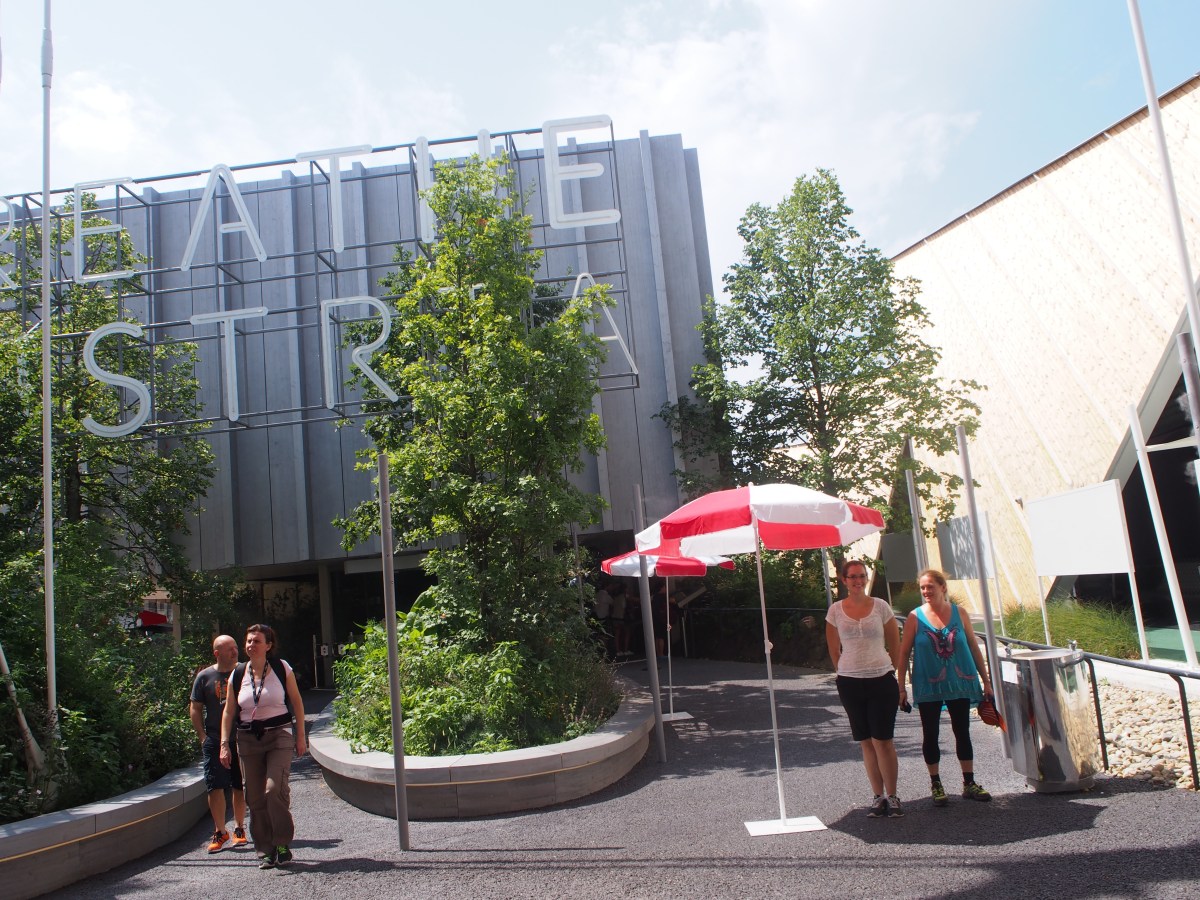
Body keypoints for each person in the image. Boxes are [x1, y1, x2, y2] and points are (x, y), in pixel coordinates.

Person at [898, 567, 994, 807]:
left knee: (962, 730)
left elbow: (973, 646)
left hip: (959, 681)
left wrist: (986, 680)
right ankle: (936, 783)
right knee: (930, 733)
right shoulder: (914, 617)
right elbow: (903, 653)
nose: (926, 591)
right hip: (928, 685)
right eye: (922, 587)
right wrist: (901, 687)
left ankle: (969, 782)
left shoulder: (960, 613)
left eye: (930, 586)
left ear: (943, 587)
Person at [220, 624, 307, 869]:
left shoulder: (281, 668)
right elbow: (229, 711)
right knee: (255, 796)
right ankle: (265, 849)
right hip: (248, 738)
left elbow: (297, 702)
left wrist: (301, 736)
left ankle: (282, 842)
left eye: (257, 641)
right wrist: (224, 743)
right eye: (249, 641)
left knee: (273, 789)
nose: (251, 645)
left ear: (268, 645)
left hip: (279, 734)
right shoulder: (238, 674)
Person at [825, 559, 904, 818]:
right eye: (853, 577)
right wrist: (846, 670)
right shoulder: (835, 611)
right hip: (850, 682)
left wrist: (894, 673)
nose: (858, 581)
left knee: (883, 740)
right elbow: (833, 649)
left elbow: (895, 643)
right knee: (866, 741)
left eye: (862, 576)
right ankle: (877, 796)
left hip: (881, 678)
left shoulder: (881, 606)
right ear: (844, 580)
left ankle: (893, 795)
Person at [189, 634, 248, 853]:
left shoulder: (245, 671)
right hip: (214, 739)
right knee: (215, 786)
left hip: (241, 737)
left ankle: (239, 828)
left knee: (239, 785)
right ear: (217, 653)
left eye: (235, 647)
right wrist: (202, 736)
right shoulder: (205, 676)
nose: (235, 651)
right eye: (229, 649)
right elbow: (195, 708)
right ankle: (220, 831)